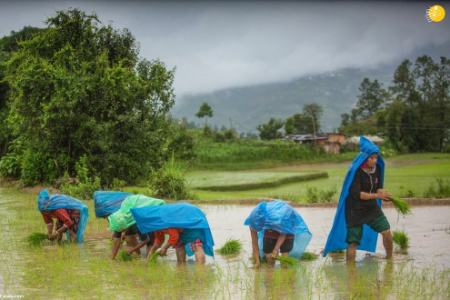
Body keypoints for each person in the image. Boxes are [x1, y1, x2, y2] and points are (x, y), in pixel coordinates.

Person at [323, 136, 393, 262]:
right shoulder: (356, 172)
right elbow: (358, 194)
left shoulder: (377, 170)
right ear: (365, 158)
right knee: (353, 243)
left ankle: (390, 260)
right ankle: (351, 271)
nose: (374, 160)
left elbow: (378, 188)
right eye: (371, 158)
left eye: (376, 157)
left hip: (371, 207)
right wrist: (378, 196)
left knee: (386, 231)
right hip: (354, 210)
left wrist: (384, 195)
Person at [131, 203, 214, 264]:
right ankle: (181, 269)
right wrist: (151, 253)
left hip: (191, 219)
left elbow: (174, 235)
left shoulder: (162, 218)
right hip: (181, 228)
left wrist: (165, 247)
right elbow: (159, 240)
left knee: (197, 245)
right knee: (178, 246)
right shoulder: (156, 224)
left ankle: (201, 272)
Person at [244, 200, 312, 267]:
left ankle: (284, 271)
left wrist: (276, 249)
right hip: (271, 230)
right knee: (269, 260)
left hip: (286, 226)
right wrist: (257, 261)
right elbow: (254, 243)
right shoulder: (252, 221)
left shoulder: (278, 216)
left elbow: (284, 233)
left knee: (284, 262)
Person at [108, 194, 165, 259]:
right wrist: (112, 258)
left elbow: (146, 240)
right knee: (129, 237)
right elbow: (116, 240)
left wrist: (132, 250)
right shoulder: (118, 220)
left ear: (124, 228)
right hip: (135, 206)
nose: (120, 232)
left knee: (150, 243)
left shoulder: (137, 224)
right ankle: (139, 256)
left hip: (151, 211)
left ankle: (149, 260)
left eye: (122, 231)